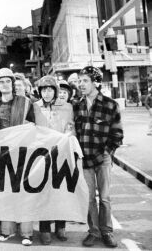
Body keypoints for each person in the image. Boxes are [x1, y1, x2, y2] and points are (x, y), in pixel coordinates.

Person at [73, 66, 123, 248]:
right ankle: (93, 231)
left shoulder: (110, 105)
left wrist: (107, 153)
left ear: (96, 82)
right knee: (88, 199)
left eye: (85, 80)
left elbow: (117, 134)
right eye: (79, 81)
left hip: (103, 159)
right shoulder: (77, 105)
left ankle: (107, 231)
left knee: (104, 198)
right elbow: (75, 132)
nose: (81, 84)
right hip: (84, 159)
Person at [0, 67, 35, 246]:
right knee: (4, 193)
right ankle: (7, 230)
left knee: (23, 192)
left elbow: (34, 123)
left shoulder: (25, 102)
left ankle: (27, 232)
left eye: (8, 81)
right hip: (0, 154)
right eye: (1, 82)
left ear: (13, 84)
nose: (5, 84)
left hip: (22, 152)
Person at [33, 76, 75, 245]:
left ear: (56, 91)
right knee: (44, 192)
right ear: (40, 92)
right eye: (44, 90)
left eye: (50, 89)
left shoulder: (67, 107)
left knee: (60, 192)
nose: (47, 93)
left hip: (62, 154)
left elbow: (71, 127)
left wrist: (68, 135)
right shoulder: (35, 107)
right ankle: (44, 229)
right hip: (42, 155)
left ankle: (61, 226)